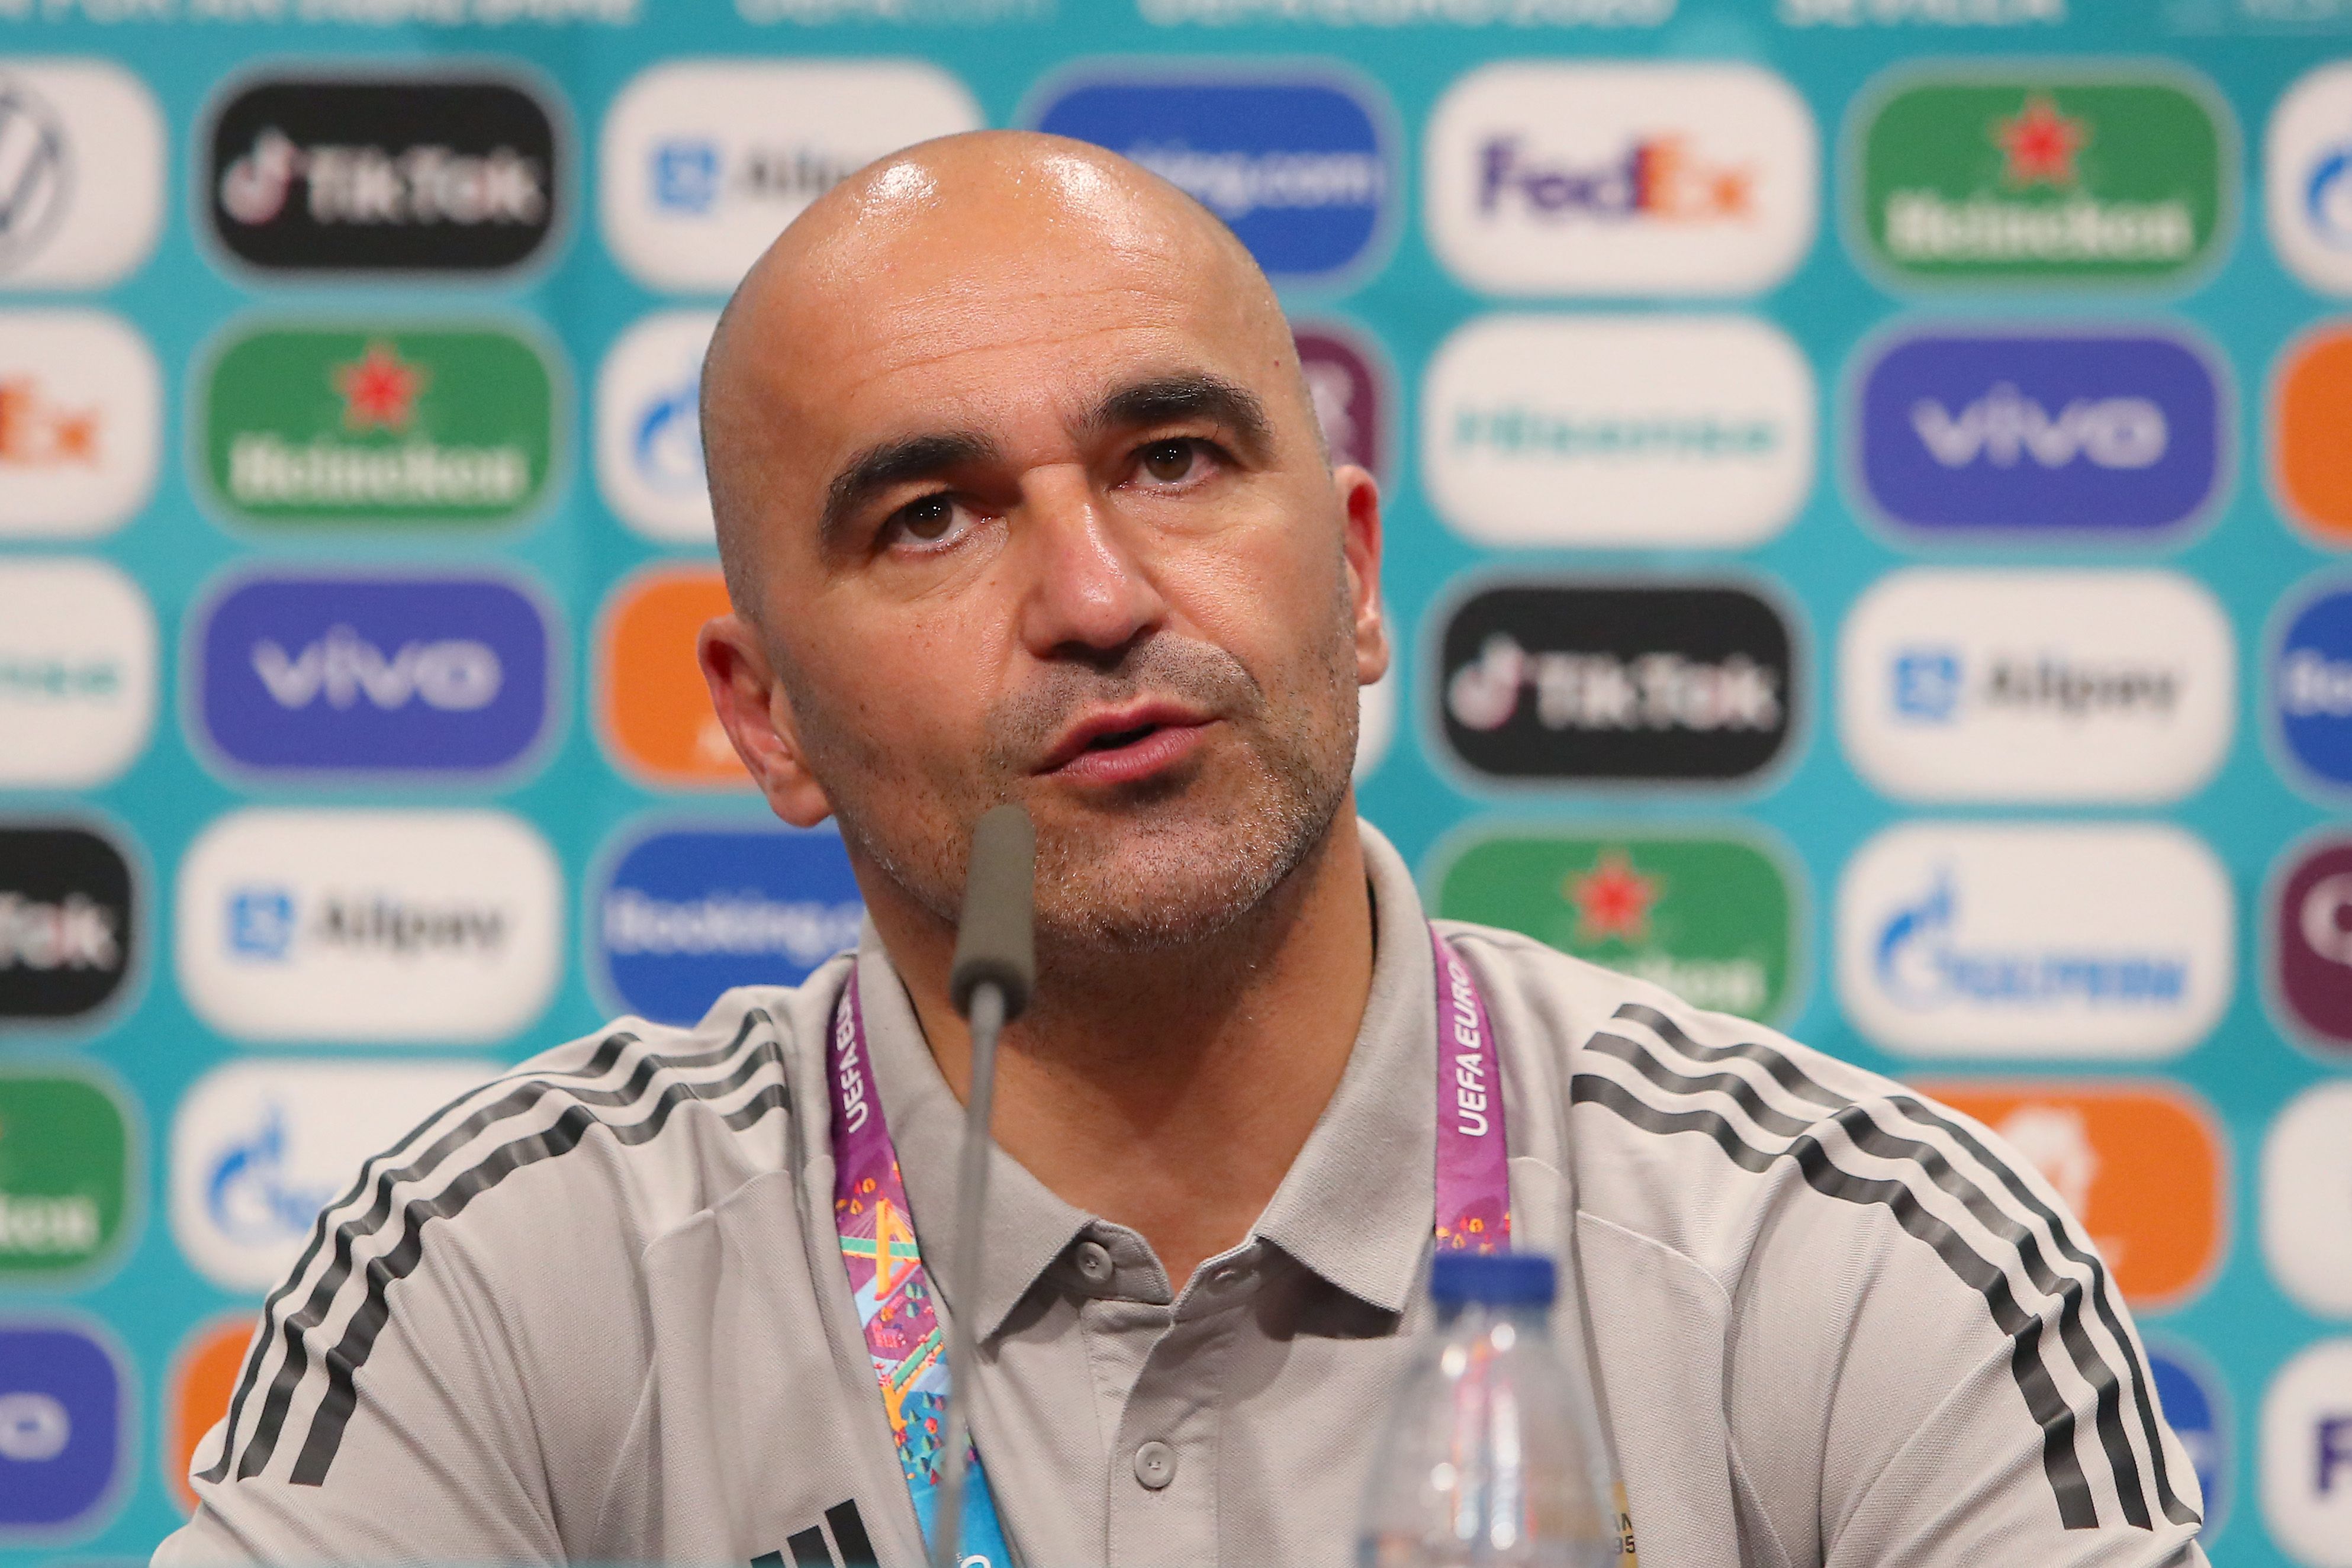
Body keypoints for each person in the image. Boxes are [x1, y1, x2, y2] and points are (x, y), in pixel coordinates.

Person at [156, 132, 2209, 1568]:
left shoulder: (1860, 1265)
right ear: (761, 713)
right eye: (930, 517)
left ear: (1357, 569)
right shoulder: (517, 1269)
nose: (1096, 592)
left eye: (1173, 457)